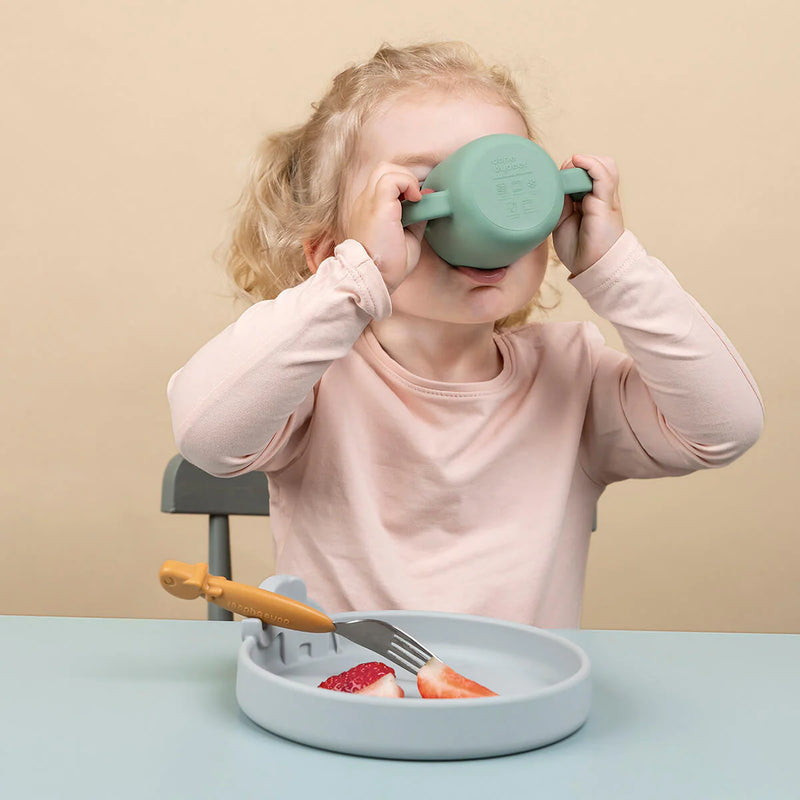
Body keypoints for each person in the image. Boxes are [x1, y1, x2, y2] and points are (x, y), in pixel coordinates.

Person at [167, 41, 764, 627]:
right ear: (332, 252)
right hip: (349, 700)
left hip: (517, 707)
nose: (485, 207)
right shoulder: (317, 383)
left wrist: (615, 268)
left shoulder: (572, 377)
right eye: (419, 187)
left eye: (507, 172)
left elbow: (724, 428)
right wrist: (352, 283)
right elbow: (206, 435)